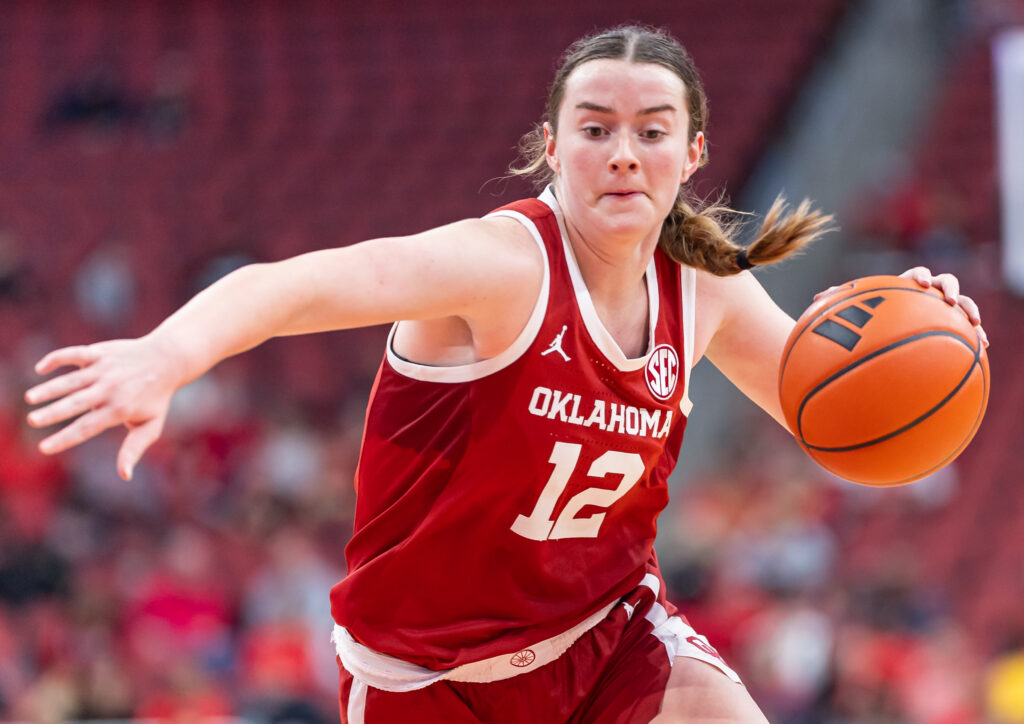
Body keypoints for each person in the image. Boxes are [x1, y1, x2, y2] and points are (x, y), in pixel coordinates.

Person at [25, 25, 987, 724]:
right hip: (429, 678)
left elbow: (838, 412)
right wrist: (169, 355)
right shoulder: (501, 266)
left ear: (692, 154)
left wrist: (935, 334)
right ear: (554, 145)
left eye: (652, 131)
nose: (622, 153)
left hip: (609, 639)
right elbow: (294, 288)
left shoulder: (706, 292)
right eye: (596, 127)